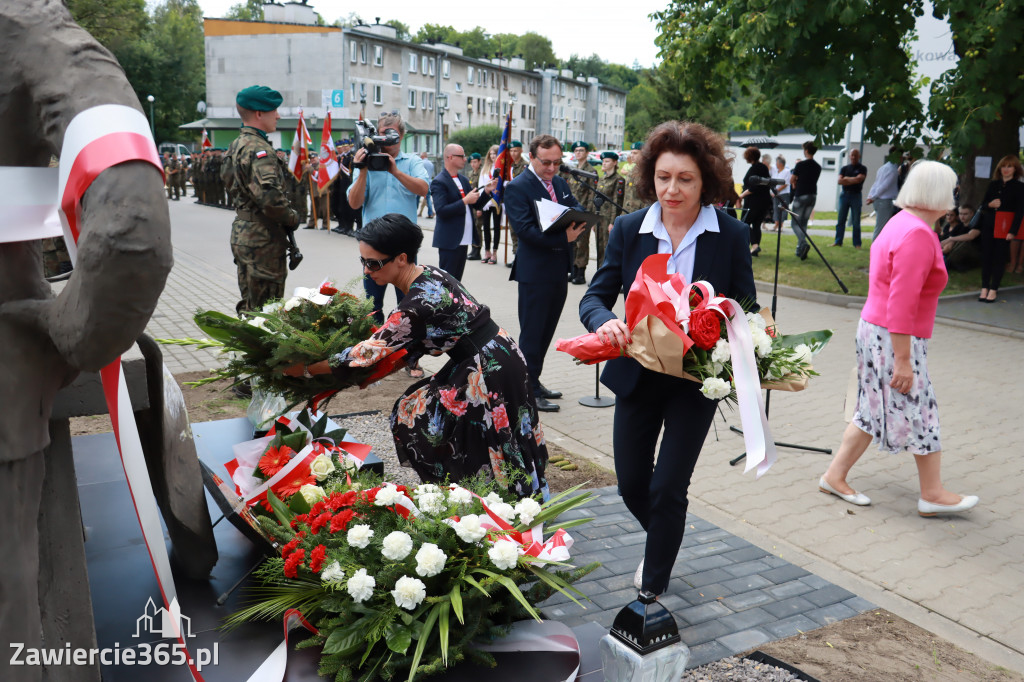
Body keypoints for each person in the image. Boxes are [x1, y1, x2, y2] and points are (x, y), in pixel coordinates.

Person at [578, 120, 757, 596]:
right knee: (632, 486)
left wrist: (735, 337)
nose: (671, 189)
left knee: (667, 490)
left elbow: (746, 307)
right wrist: (604, 322)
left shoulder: (732, 235)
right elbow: (594, 296)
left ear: (707, 181)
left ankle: (652, 584)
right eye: (662, 177)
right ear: (649, 177)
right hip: (636, 375)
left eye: (685, 178)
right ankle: (664, 538)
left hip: (694, 385)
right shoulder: (629, 229)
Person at [286, 214, 549, 499]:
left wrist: (308, 369)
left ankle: (490, 501)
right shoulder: (429, 273)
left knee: (421, 418)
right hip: (500, 353)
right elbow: (411, 345)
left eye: (373, 263)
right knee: (500, 431)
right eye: (362, 261)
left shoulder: (414, 306)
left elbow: (365, 353)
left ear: (401, 258)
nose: (365, 271)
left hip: (487, 368)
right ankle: (512, 499)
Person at [819, 160, 978, 517]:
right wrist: (904, 359)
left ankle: (834, 475)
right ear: (936, 193)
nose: (954, 195)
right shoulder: (917, 234)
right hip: (894, 336)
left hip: (878, 330)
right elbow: (902, 302)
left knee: (870, 409)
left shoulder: (900, 222)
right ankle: (932, 493)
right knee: (922, 409)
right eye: (951, 188)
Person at [504, 134, 587, 413]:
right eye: (546, 163)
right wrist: (564, 237)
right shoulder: (518, 187)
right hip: (534, 272)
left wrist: (575, 216)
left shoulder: (560, 183)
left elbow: (577, 206)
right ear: (532, 157)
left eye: (556, 162)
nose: (552, 168)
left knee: (547, 330)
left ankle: (534, 381)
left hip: (558, 270)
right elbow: (525, 231)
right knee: (532, 333)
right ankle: (526, 391)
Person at [222, 85, 300, 314]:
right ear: (259, 113)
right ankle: (260, 350)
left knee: (250, 301)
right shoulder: (258, 149)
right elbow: (271, 200)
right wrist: (292, 217)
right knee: (267, 309)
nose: (278, 116)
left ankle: (246, 347)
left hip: (244, 232)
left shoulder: (236, 145)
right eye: (273, 110)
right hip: (262, 238)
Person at [429, 144, 497, 280]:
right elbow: (441, 211)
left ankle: (455, 302)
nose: (465, 159)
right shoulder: (439, 181)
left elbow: (476, 204)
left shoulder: (463, 180)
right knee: (447, 283)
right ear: (450, 157)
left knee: (456, 282)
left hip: (463, 238)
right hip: (450, 240)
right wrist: (465, 201)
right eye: (462, 156)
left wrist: (487, 191)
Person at [977, 155, 1024, 302]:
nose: (1006, 169)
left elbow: (1020, 211)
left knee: (999, 258)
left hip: (1005, 229)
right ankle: (984, 287)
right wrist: (989, 205)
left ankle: (994, 289)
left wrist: (1012, 231)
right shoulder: (993, 185)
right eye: (1004, 166)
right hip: (989, 225)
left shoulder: (1019, 187)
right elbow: (982, 206)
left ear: (1015, 169)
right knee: (986, 257)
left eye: (1009, 166)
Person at [565, 141, 597, 284]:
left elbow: (592, 194)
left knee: (582, 243)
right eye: (576, 150)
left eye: (581, 150)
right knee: (572, 242)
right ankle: (573, 270)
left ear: (587, 153)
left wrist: (589, 214)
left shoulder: (591, 171)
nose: (578, 153)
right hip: (572, 211)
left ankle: (581, 273)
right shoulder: (573, 170)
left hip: (584, 211)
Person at [789, 140, 821, 260]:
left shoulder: (800, 165)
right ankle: (800, 250)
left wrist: (796, 181)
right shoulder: (818, 166)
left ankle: (803, 243)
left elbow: (792, 180)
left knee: (795, 223)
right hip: (812, 195)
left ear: (806, 151)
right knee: (803, 223)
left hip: (801, 195)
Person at [738, 145, 771, 257]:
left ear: (749, 157)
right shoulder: (763, 167)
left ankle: (755, 246)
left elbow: (753, 187)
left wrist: (741, 196)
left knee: (745, 223)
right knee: (756, 224)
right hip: (764, 201)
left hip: (754, 201)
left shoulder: (755, 169)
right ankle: (755, 249)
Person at [594, 150, 626, 265]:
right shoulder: (602, 179)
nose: (604, 163)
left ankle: (606, 275)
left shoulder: (619, 179)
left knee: (608, 247)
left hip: (608, 218)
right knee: (599, 246)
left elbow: (616, 202)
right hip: (599, 217)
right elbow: (596, 200)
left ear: (614, 163)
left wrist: (612, 222)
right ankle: (598, 272)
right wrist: (594, 219)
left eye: (607, 161)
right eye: (603, 161)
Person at [832, 148, 867, 248]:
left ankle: (857, 243)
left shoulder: (862, 168)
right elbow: (839, 181)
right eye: (852, 155)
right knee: (841, 220)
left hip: (856, 195)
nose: (853, 157)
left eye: (855, 155)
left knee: (856, 221)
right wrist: (851, 179)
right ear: (849, 156)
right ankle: (838, 241)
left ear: (859, 156)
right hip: (844, 195)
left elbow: (859, 179)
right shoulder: (844, 168)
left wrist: (846, 179)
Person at [867, 147, 900, 239]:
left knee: (881, 227)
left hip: (879, 201)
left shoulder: (883, 168)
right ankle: (875, 250)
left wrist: (870, 195)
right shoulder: (893, 170)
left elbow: (876, 184)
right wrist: (872, 197)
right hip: (884, 201)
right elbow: (884, 186)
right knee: (880, 229)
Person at [477, 145, 501, 264]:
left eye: (495, 154)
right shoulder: (485, 168)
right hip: (486, 202)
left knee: (496, 227)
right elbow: (481, 184)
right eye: (491, 154)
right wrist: (481, 203)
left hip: (496, 201)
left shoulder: (501, 168)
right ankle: (487, 252)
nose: (492, 156)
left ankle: (495, 253)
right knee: (486, 227)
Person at [941, 204, 982, 272]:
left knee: (964, 243)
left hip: (976, 252)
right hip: (960, 253)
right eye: (960, 214)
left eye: (965, 214)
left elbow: (971, 236)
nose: (962, 216)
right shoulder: (958, 227)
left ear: (972, 214)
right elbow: (949, 245)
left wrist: (951, 239)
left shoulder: (977, 224)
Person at [466, 152, 483, 259]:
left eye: (475, 162)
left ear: (479, 162)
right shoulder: (471, 173)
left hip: (478, 205)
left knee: (478, 228)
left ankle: (478, 250)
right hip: (471, 205)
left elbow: (481, 191)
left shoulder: (482, 173)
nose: (473, 164)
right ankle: (473, 249)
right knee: (472, 227)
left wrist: (480, 207)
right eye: (471, 162)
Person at [770, 154, 791, 233]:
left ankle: (781, 225)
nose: (776, 164)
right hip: (775, 194)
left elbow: (786, 183)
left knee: (783, 208)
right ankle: (776, 224)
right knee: (776, 208)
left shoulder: (787, 171)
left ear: (781, 164)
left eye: (777, 163)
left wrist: (777, 190)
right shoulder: (775, 171)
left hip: (784, 193)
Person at [417, 150, 435, 218]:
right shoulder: (431, 163)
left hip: (422, 182)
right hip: (429, 182)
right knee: (428, 198)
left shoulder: (421, 163)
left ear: (422, 156)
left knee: (417, 198)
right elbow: (432, 174)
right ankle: (430, 213)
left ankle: (414, 210)